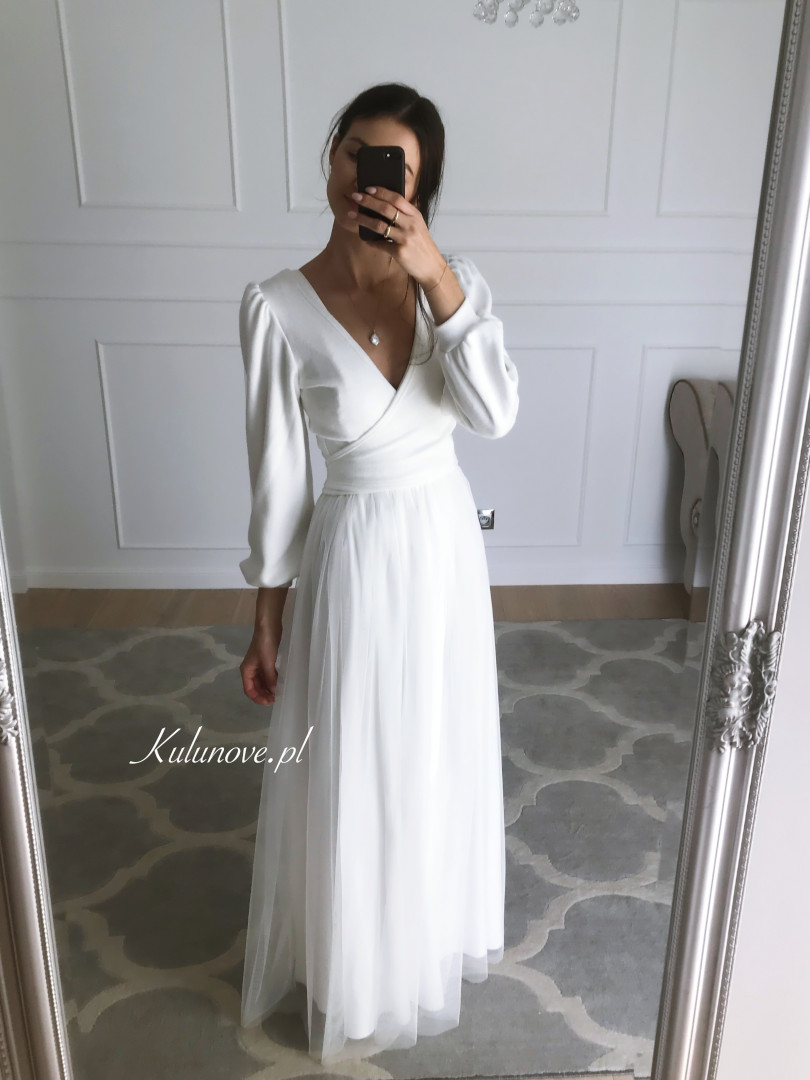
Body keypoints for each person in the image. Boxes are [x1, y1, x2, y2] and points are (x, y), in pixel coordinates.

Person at [237, 82, 519, 1065]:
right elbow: (278, 481)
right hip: (352, 554)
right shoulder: (276, 306)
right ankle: (358, 961)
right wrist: (266, 618)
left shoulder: (454, 288)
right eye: (355, 151)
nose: (366, 175)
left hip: (443, 548)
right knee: (359, 759)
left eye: (392, 165)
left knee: (433, 745)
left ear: (419, 189)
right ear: (331, 157)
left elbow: (495, 415)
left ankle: (425, 933)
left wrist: (435, 276)